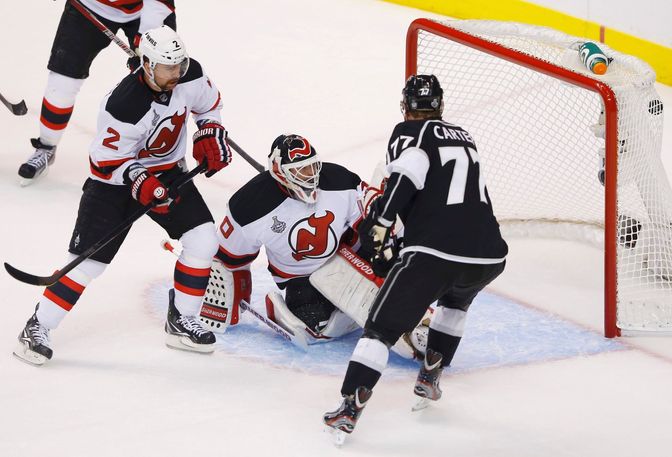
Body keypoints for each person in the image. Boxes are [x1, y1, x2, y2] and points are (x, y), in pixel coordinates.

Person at [13, 26, 232, 366]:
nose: (177, 73)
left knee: (203, 238)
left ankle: (182, 320)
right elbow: (105, 162)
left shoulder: (190, 75)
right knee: (89, 264)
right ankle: (37, 326)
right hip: (113, 185)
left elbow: (209, 105)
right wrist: (140, 180)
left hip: (168, 172)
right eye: (168, 67)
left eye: (179, 65)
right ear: (147, 64)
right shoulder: (124, 105)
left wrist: (210, 131)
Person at [323, 75, 509, 439]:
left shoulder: (413, 134)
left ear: (406, 108)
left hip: (434, 252)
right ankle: (430, 376)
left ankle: (349, 407)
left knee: (380, 331)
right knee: (455, 303)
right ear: (440, 106)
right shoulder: (465, 138)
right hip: (488, 254)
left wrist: (382, 222)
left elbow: (408, 176)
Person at [212, 134, 366, 343]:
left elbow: (367, 227)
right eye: (301, 170)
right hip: (301, 278)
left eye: (312, 166)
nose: (311, 176)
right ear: (279, 172)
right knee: (314, 320)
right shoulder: (250, 206)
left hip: (346, 263)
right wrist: (234, 294)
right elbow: (229, 258)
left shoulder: (341, 180)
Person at [18, 0, 176, 186]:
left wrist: (146, 35)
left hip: (148, 8)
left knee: (162, 79)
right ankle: (46, 146)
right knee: (62, 82)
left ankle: (163, 156)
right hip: (90, 5)